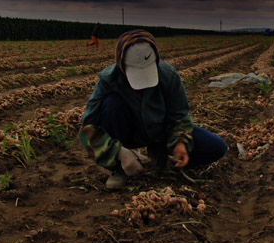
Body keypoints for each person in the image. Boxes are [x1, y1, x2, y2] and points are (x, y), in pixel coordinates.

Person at [78, 29, 228, 189]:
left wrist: (179, 142)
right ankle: (119, 168)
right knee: (112, 104)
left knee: (216, 148)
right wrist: (117, 153)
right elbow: (88, 126)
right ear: (121, 65)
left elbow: (180, 116)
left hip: (161, 132)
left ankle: (159, 155)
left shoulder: (169, 76)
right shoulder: (108, 81)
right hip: (128, 132)